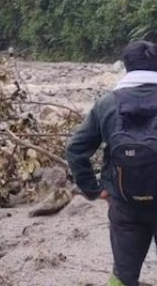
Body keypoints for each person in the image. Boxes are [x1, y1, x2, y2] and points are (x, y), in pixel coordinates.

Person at [66, 40, 157, 286]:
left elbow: (75, 149)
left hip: (124, 204)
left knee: (123, 276)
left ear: (126, 66)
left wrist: (95, 190)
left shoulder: (107, 104)